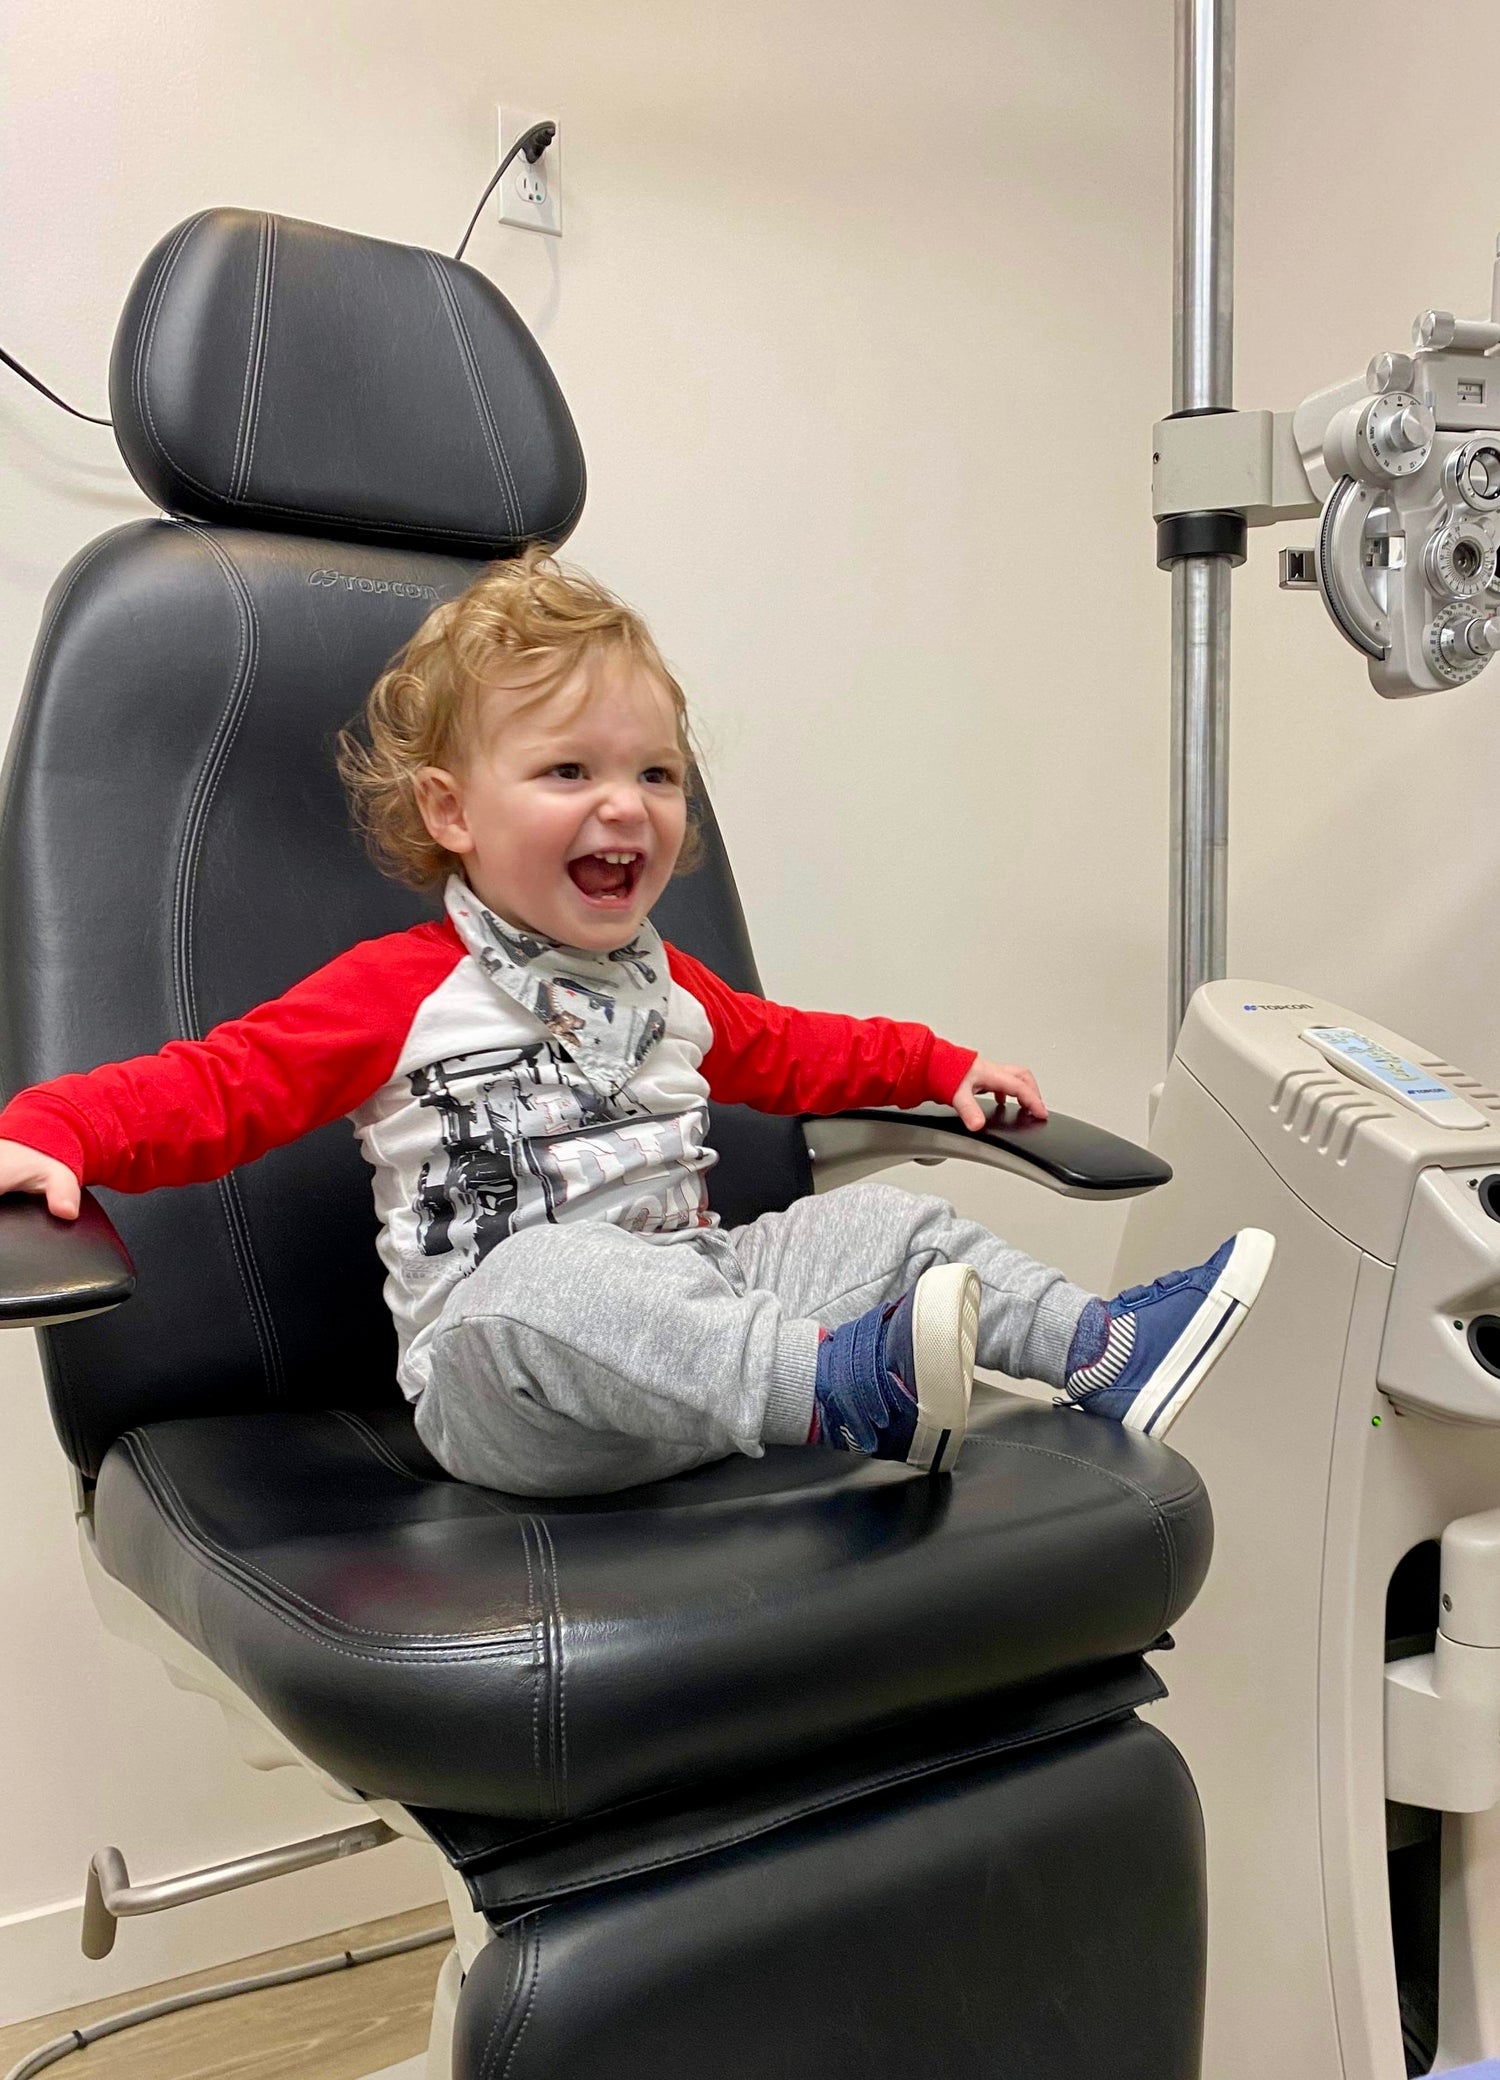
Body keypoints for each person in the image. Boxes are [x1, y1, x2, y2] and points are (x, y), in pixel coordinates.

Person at [0, 550, 1273, 1494]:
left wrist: (944, 1068)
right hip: (506, 1378)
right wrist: (49, 1127)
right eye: (569, 772)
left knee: (888, 1223)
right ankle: (842, 1386)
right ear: (452, 811)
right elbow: (215, 1087)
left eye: (655, 774)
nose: (628, 805)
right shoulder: (404, 987)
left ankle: (1107, 1349)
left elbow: (809, 1051)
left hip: (699, 1316)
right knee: (553, 1277)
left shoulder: (670, 982)